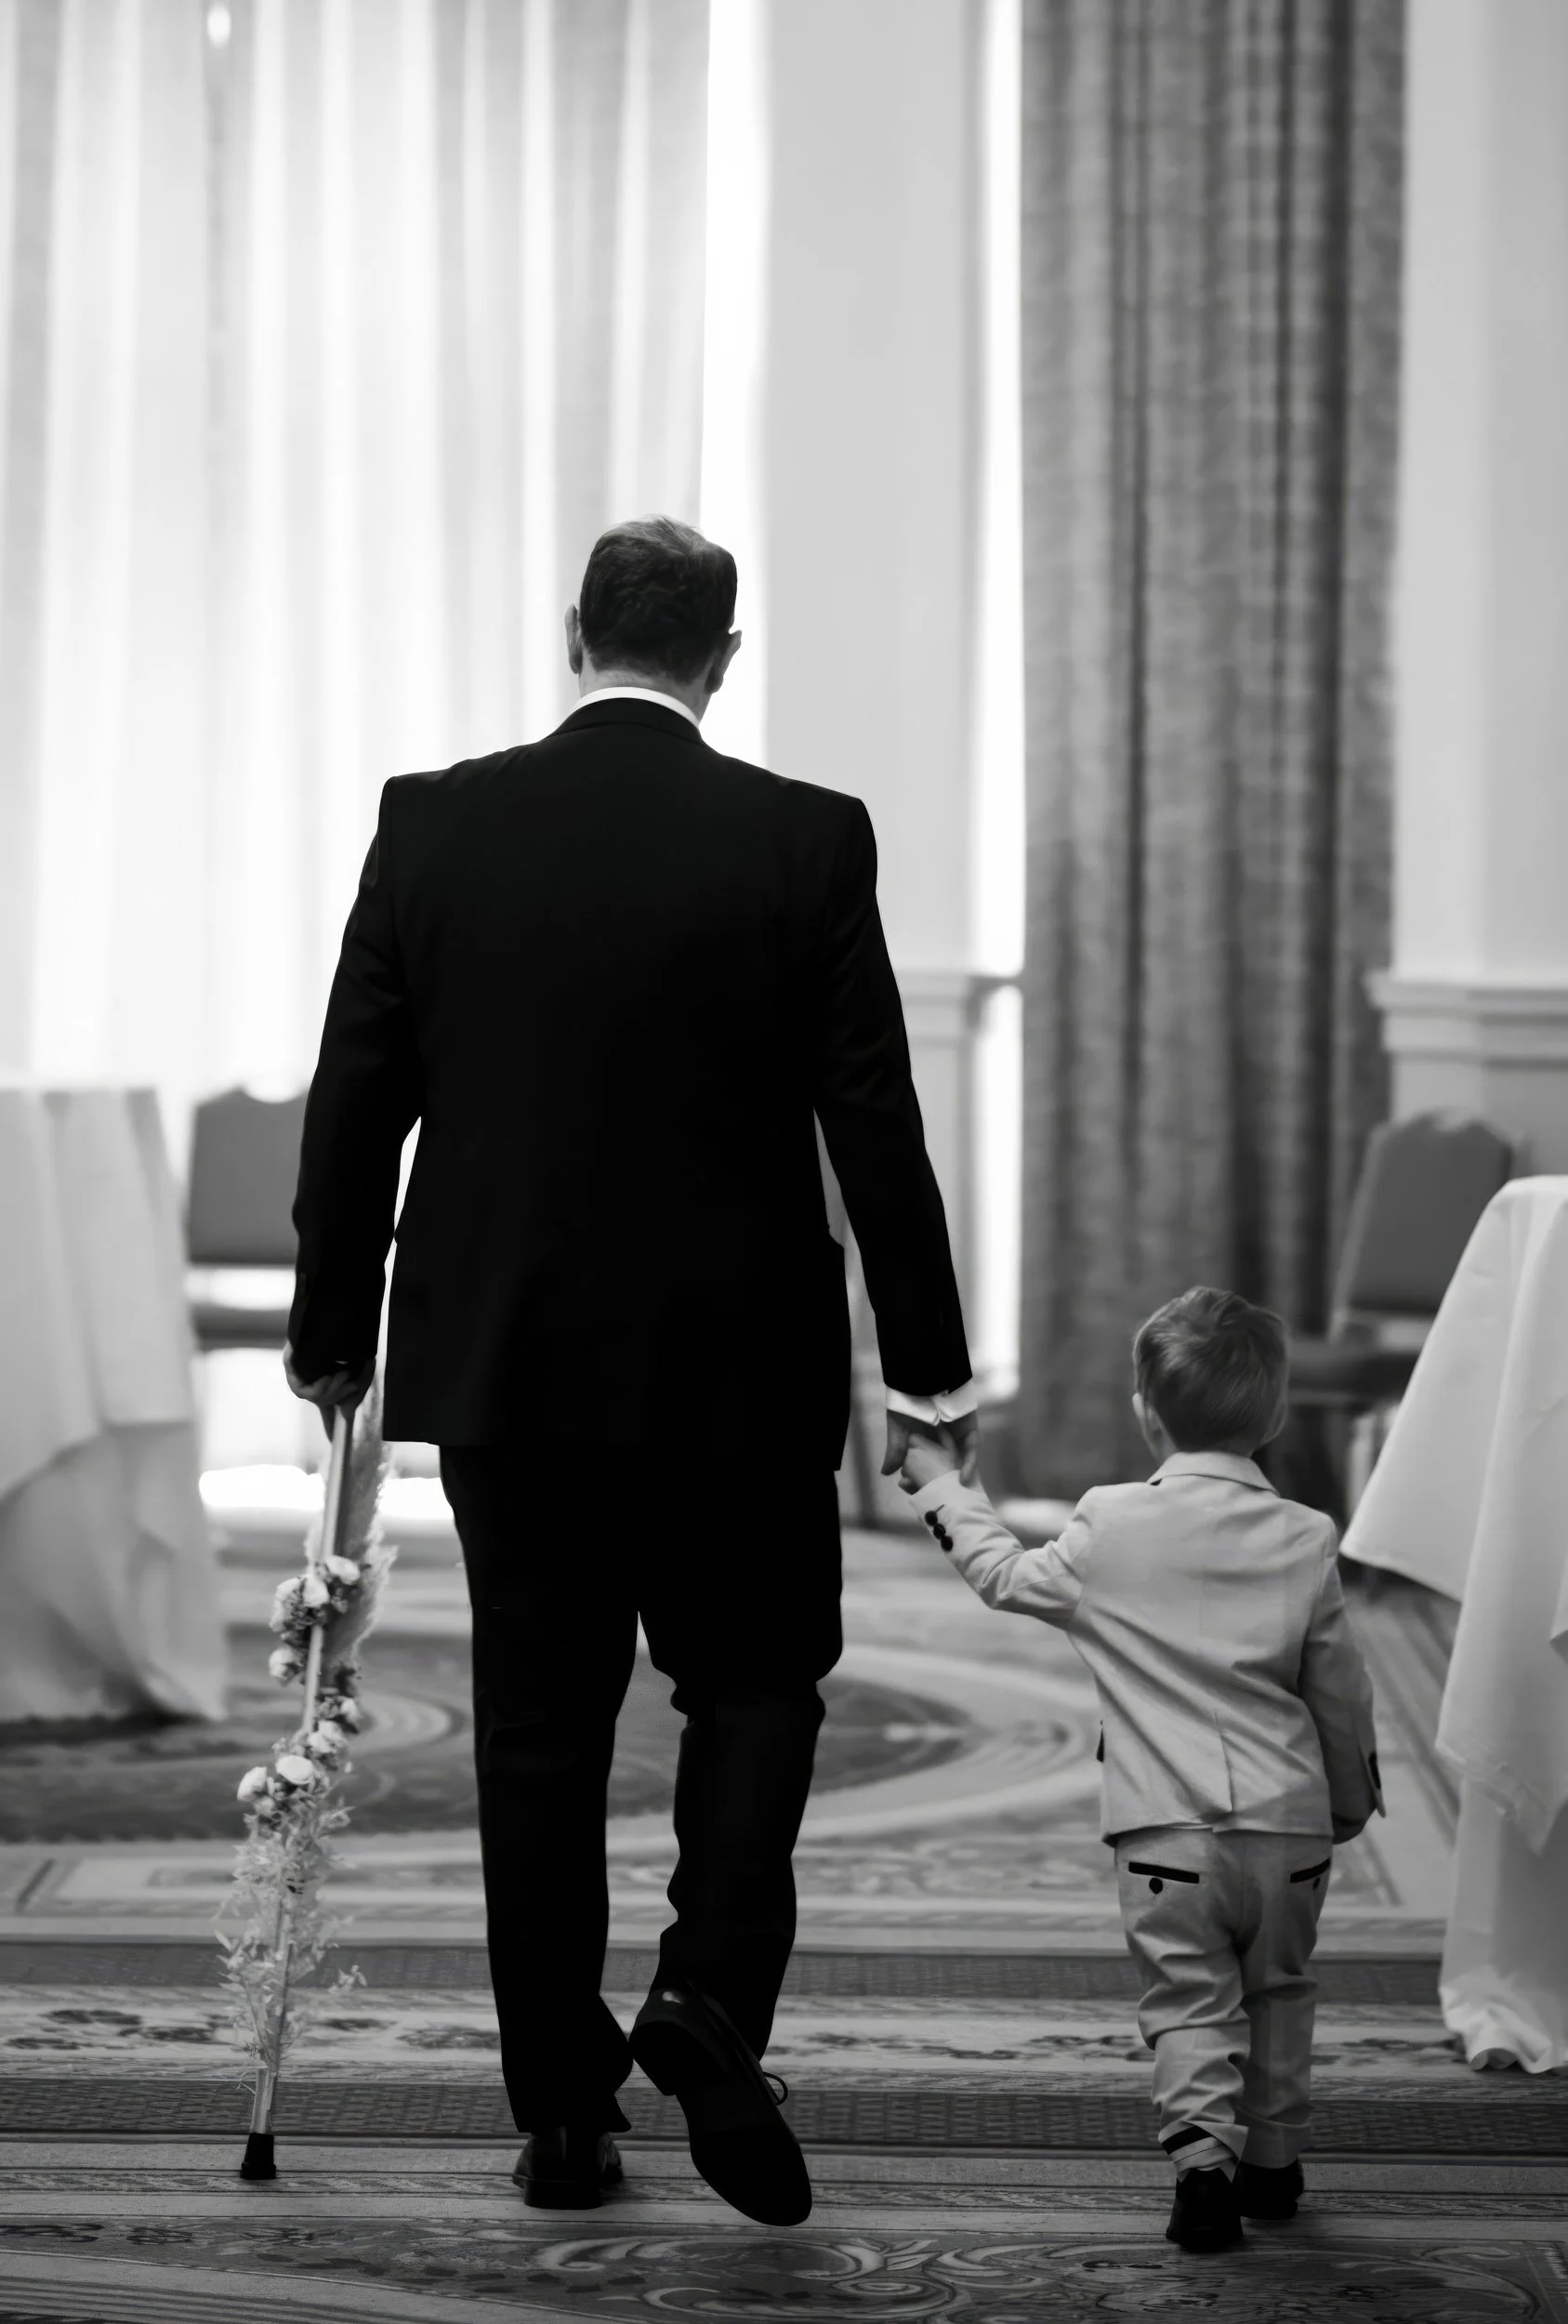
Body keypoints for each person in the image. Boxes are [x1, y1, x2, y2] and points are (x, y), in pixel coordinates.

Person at [283, 516, 975, 2225]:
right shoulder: (803, 841)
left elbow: (354, 1101)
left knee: (538, 1733)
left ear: (570, 631)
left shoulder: (433, 823)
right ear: (722, 659)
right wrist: (933, 1378)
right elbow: (871, 1123)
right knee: (755, 1689)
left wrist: (328, 1340)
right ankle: (706, 2001)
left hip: (510, 1365)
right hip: (740, 1370)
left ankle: (562, 2119)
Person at [899, 1285, 1383, 2253]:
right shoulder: (1305, 1535)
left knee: (1190, 1998)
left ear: (1143, 1414)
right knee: (1279, 1988)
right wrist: (1349, 1797)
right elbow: (1341, 1689)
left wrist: (943, 1485)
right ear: (1277, 1413)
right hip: (1288, 1829)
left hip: (1164, 1834)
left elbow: (1001, 1576)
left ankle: (1201, 2164)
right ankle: (1274, 2166)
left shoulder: (1108, 1523)